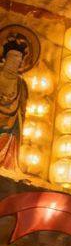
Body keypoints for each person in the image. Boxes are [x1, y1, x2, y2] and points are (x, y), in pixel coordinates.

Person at [0, 35, 29, 172]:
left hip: (10, 126)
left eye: (18, 60)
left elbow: (22, 111)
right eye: (12, 58)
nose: (15, 62)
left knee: (12, 133)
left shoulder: (21, 84)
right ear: (4, 59)